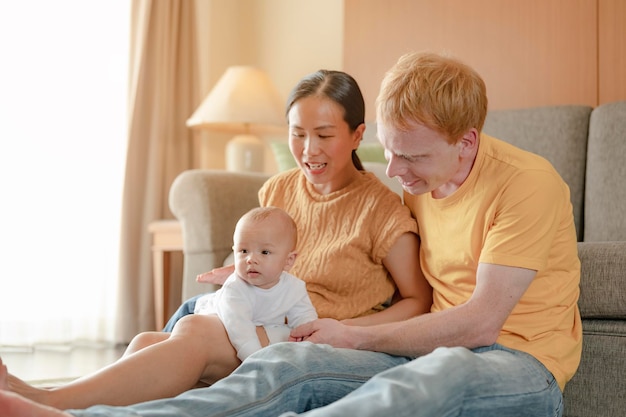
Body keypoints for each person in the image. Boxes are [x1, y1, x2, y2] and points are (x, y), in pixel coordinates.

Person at [0, 68, 432, 411]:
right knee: (148, 343)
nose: (308, 150)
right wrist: (243, 265)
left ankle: (49, 401)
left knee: (193, 332)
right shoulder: (279, 190)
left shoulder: (382, 210)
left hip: (306, 338)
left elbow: (417, 300)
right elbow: (266, 253)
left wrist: (345, 330)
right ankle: (75, 404)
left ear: (357, 135)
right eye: (297, 133)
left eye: (323, 135)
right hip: (257, 315)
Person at [192, 206, 318, 361]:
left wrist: (307, 341)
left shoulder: (294, 288)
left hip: (252, 324)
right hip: (202, 313)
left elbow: (305, 318)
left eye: (264, 252)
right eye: (243, 251)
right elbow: (240, 331)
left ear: (288, 260)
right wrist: (258, 360)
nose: (250, 259)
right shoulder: (235, 288)